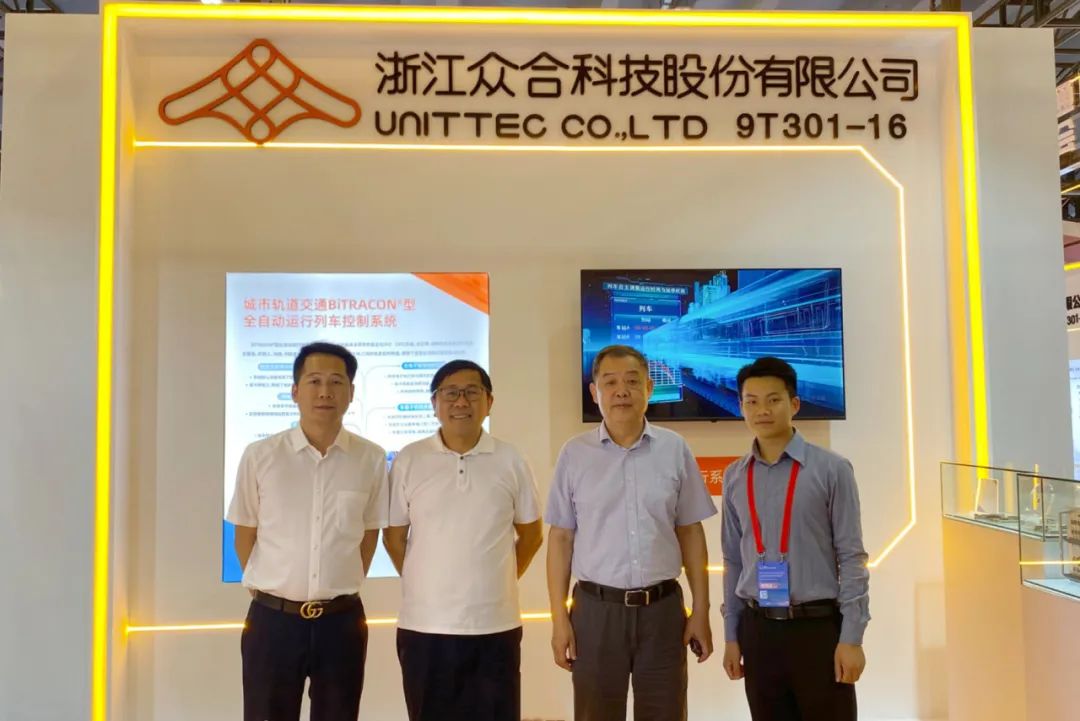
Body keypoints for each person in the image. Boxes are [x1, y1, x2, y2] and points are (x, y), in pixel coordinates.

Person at [545, 344, 717, 721]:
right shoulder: (574, 454)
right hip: (595, 613)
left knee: (666, 713)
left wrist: (701, 611)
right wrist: (559, 621)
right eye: (610, 382)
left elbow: (690, 532)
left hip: (663, 612)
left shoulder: (674, 449)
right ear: (595, 392)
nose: (621, 391)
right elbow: (560, 539)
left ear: (649, 388)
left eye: (632, 381)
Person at [226, 342, 388, 721]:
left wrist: (338, 581)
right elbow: (245, 533)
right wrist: (274, 586)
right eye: (314, 381)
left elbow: (368, 535)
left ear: (351, 392)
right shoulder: (260, 456)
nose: (325, 391)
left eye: (336, 382)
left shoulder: (371, 458)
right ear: (295, 391)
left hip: (341, 622)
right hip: (272, 621)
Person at [383, 359, 543, 721]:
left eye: (472, 392)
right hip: (425, 627)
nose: (461, 402)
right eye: (450, 393)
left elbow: (532, 534)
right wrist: (427, 583)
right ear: (434, 403)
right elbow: (393, 538)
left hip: (495, 625)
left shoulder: (511, 459)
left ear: (489, 402)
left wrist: (496, 580)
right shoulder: (409, 459)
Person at [720, 356, 870, 721]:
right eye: (751, 401)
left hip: (816, 629)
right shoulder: (735, 476)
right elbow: (733, 560)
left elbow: (851, 556)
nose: (762, 410)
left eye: (773, 400)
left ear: (795, 404)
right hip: (758, 630)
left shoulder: (832, 469)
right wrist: (731, 635)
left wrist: (851, 638)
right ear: (741, 406)